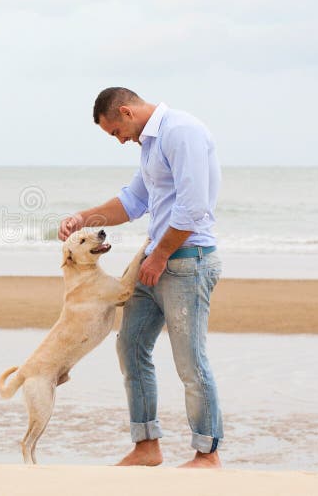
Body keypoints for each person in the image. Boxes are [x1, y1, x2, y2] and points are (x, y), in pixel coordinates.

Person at [59, 87, 223, 468]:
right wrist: (82, 219)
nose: (120, 141)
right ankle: (147, 446)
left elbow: (194, 205)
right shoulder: (151, 146)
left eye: (116, 132)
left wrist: (162, 254)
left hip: (187, 261)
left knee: (190, 361)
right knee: (130, 347)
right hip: (155, 261)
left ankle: (207, 454)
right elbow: (132, 202)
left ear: (128, 112)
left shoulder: (181, 132)